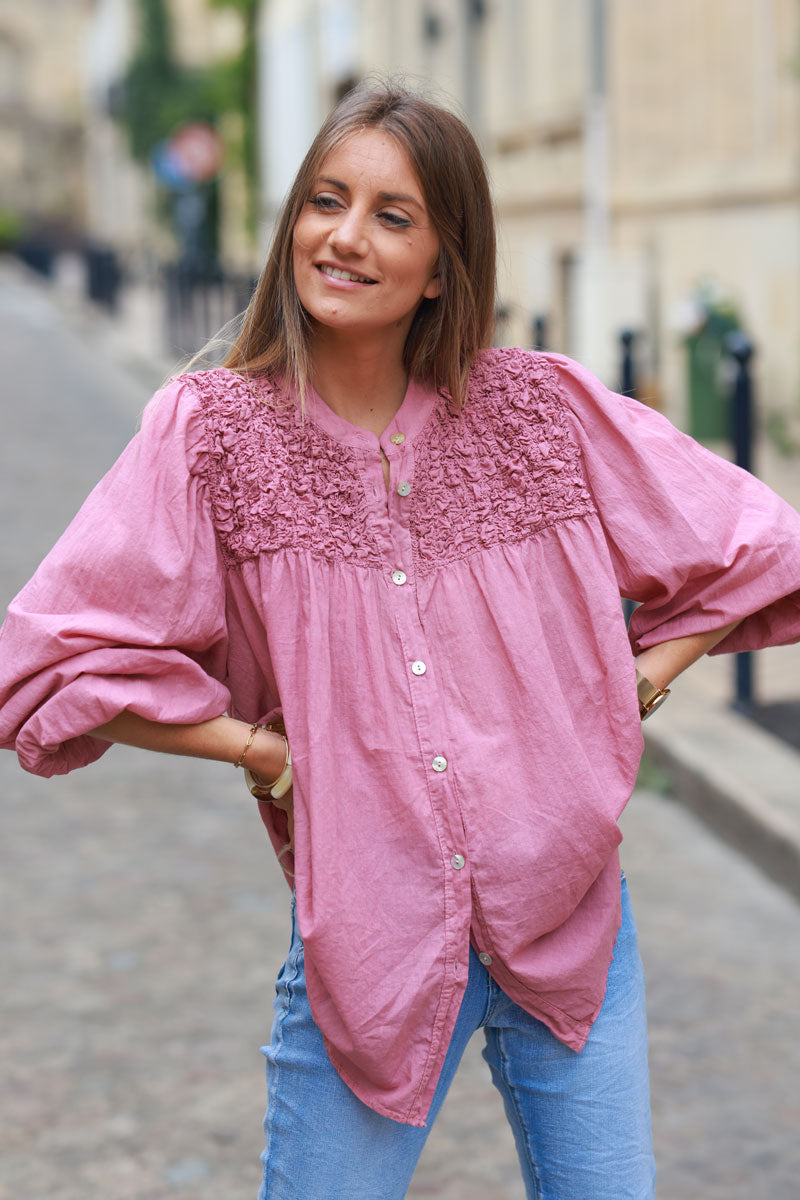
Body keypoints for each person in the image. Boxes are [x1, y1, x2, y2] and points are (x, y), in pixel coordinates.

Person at [2, 83, 800, 1200]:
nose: (345, 236)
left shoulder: (537, 412)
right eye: (326, 202)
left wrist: (637, 683)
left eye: (392, 215)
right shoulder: (213, 435)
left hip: (571, 924)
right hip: (364, 948)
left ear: (442, 262)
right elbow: (47, 659)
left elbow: (759, 542)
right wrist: (257, 751)